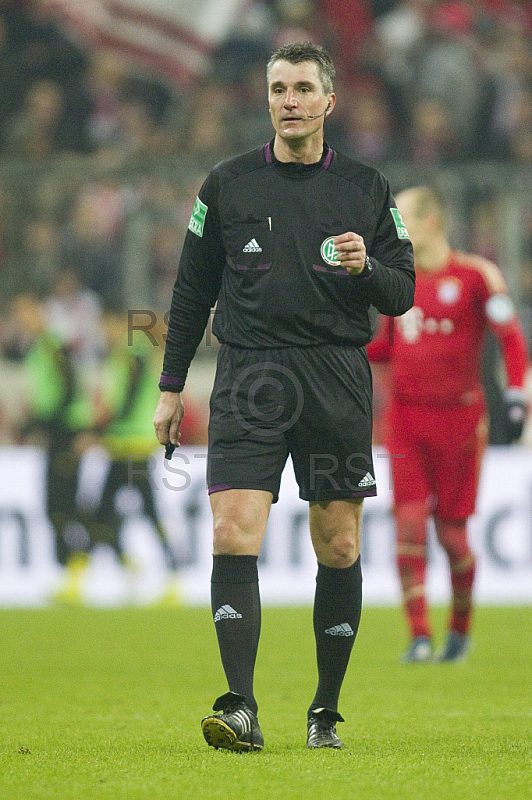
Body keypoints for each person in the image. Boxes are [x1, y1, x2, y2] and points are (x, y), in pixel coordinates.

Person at [154, 41, 415, 751]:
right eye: (278, 89)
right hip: (249, 376)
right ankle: (239, 705)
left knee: (338, 544)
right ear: (266, 99)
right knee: (233, 532)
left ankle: (325, 710)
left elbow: (402, 292)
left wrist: (366, 270)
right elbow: (189, 292)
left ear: (330, 102)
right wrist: (171, 387)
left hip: (334, 374)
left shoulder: (365, 187)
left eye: (302, 88)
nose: (289, 101)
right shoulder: (228, 184)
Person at [367, 186, 530, 664]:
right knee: (409, 523)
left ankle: (459, 631)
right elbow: (385, 347)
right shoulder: (400, 282)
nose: (395, 228)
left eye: (403, 218)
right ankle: (419, 636)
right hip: (406, 419)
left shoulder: (476, 275)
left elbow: (512, 342)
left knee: (453, 536)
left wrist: (518, 396)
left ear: (431, 219)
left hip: (461, 422)